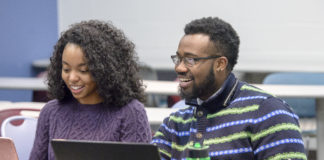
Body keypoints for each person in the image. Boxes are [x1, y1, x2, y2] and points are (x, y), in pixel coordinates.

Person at [152, 17, 306, 159]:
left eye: (190, 60)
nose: (179, 68)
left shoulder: (268, 113)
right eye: (178, 59)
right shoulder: (175, 123)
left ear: (220, 64)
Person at [30, 20, 152, 160]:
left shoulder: (130, 113)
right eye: (66, 69)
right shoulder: (51, 112)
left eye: (83, 70)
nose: (72, 78)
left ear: (105, 71)